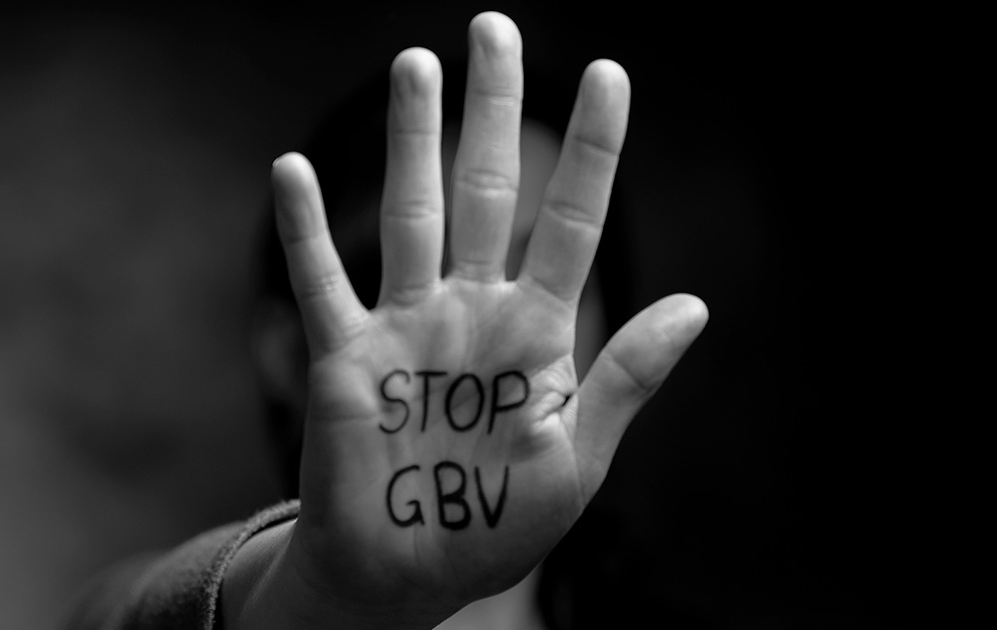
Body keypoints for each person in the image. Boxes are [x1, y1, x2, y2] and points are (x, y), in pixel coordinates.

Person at [64, 11, 708, 629]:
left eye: (539, 271)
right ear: (284, 352)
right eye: (418, 273)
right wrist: (316, 605)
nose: (482, 332)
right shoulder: (153, 607)